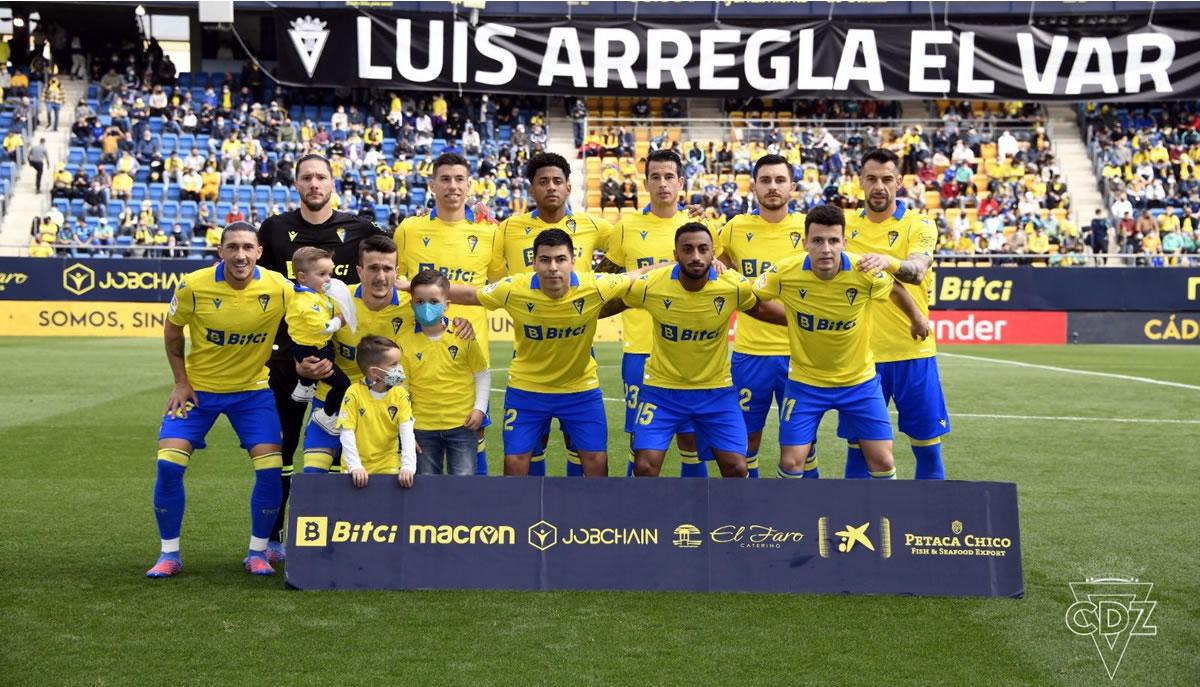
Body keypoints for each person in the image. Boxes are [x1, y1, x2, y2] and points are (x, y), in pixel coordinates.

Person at [428, 229, 651, 476]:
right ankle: (519, 515)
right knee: (514, 463)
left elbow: (640, 274)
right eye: (545, 260)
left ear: (572, 262)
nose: (553, 267)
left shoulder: (595, 285)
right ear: (534, 263)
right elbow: (470, 294)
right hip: (527, 389)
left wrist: (683, 266)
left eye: (560, 259)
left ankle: (592, 514)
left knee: (597, 460)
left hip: (580, 390)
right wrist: (409, 287)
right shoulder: (514, 288)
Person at [256, 153, 389, 560]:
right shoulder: (275, 229)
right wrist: (295, 357)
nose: (314, 184)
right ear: (296, 184)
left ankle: (336, 536)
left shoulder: (361, 228)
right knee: (281, 450)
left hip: (342, 362)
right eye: (306, 178)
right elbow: (262, 292)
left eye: (321, 177)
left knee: (339, 454)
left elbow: (388, 268)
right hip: (287, 360)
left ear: (334, 183)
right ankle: (271, 538)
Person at [146, 222, 293, 579]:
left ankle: (258, 552)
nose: (240, 255)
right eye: (232, 247)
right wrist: (180, 381)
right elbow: (172, 330)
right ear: (221, 252)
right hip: (199, 390)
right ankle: (169, 555)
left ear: (259, 252)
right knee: (168, 464)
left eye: (247, 247)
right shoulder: (194, 285)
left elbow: (314, 310)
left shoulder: (280, 288)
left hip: (253, 392)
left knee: (271, 468)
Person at [754, 204, 929, 481]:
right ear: (805, 243)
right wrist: (784, 318)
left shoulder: (864, 272)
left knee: (883, 460)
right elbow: (752, 298)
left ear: (844, 243)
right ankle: (791, 521)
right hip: (805, 382)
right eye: (818, 240)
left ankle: (885, 520)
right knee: (791, 462)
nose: (826, 249)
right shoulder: (784, 271)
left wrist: (917, 318)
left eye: (834, 241)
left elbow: (895, 288)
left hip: (859, 382)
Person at [612, 223, 784, 478]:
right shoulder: (651, 285)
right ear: (675, 254)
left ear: (713, 253)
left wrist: (803, 320)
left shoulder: (731, 285)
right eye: (687, 249)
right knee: (645, 465)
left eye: (703, 249)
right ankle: (644, 517)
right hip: (662, 391)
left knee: (736, 466)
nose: (695, 256)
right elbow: (613, 302)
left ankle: (738, 517)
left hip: (716, 392)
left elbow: (759, 308)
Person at [598, 149, 717, 477]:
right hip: (640, 350)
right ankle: (636, 520)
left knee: (690, 442)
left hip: (689, 353)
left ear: (680, 182)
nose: (663, 183)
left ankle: (698, 513)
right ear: (646, 182)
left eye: (669, 177)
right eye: (655, 177)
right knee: (642, 443)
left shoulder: (698, 227)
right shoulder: (626, 228)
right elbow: (609, 282)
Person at [496, 152, 613, 475]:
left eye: (557, 181)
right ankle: (531, 515)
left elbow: (630, 250)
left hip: (577, 345)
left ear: (569, 187)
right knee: (531, 447)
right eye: (543, 182)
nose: (551, 188)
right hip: (531, 346)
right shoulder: (508, 229)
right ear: (530, 189)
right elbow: (488, 276)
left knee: (583, 448)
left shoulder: (592, 225)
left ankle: (580, 519)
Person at [396, 152, 504, 476]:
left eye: (459, 179)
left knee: (474, 437)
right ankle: (426, 522)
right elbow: (397, 283)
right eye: (444, 179)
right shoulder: (409, 229)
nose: (452, 186)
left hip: (470, 355)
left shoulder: (491, 233)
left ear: (470, 185)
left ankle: (473, 520)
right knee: (420, 443)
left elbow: (497, 292)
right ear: (432, 185)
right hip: (421, 354)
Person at [844, 148, 949, 480]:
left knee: (927, 449)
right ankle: (852, 527)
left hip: (912, 351)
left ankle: (932, 526)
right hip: (861, 357)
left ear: (898, 182)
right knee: (859, 450)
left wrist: (884, 260)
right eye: (872, 179)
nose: (879, 186)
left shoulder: (919, 225)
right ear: (860, 182)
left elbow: (917, 270)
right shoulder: (843, 226)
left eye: (887, 179)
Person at [714, 154, 810, 478]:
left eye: (780, 180)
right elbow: (719, 270)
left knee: (802, 447)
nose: (772, 187)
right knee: (745, 442)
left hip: (800, 355)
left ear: (792, 187)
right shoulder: (735, 228)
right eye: (765, 180)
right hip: (750, 354)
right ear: (753, 186)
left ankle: (802, 514)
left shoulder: (808, 230)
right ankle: (747, 512)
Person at [400, 270, 489, 476]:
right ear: (412, 304)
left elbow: (482, 374)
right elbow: (400, 389)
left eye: (433, 301)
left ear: (447, 304)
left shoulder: (463, 335)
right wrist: (406, 429)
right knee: (426, 488)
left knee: (463, 487)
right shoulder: (403, 342)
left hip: (462, 424)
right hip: (422, 428)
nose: (426, 307)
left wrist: (479, 409)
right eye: (420, 302)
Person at [284, 246, 350, 432]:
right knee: (342, 384)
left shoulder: (315, 294)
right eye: (322, 274)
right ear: (303, 277)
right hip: (311, 349)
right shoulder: (306, 302)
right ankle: (325, 416)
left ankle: (304, 386)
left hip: (312, 346)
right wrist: (340, 320)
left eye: (330, 273)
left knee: (329, 354)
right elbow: (323, 327)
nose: (328, 279)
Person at [338, 336, 417, 489]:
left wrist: (408, 466)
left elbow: (407, 432)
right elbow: (346, 432)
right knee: (355, 513)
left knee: (385, 512)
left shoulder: (400, 395)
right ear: (374, 372)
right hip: (355, 469)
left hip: (388, 467)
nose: (400, 369)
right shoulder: (353, 393)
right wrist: (355, 466)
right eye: (394, 364)